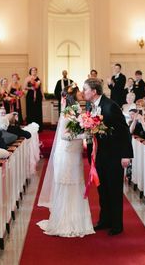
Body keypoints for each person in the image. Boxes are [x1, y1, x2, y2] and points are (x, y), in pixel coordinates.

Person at [37, 84, 95, 237]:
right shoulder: (68, 112)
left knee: (77, 184)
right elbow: (64, 135)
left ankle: (78, 220)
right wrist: (83, 136)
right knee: (68, 183)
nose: (81, 93)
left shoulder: (76, 109)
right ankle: (65, 221)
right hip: (67, 153)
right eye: (79, 92)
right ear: (73, 95)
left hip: (75, 153)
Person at [83, 78, 133, 236]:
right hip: (99, 155)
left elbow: (124, 131)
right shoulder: (92, 106)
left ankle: (117, 224)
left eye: (85, 89)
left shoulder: (110, 106)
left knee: (114, 190)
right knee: (102, 190)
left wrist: (126, 155)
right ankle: (105, 220)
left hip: (114, 155)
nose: (83, 92)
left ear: (94, 91)